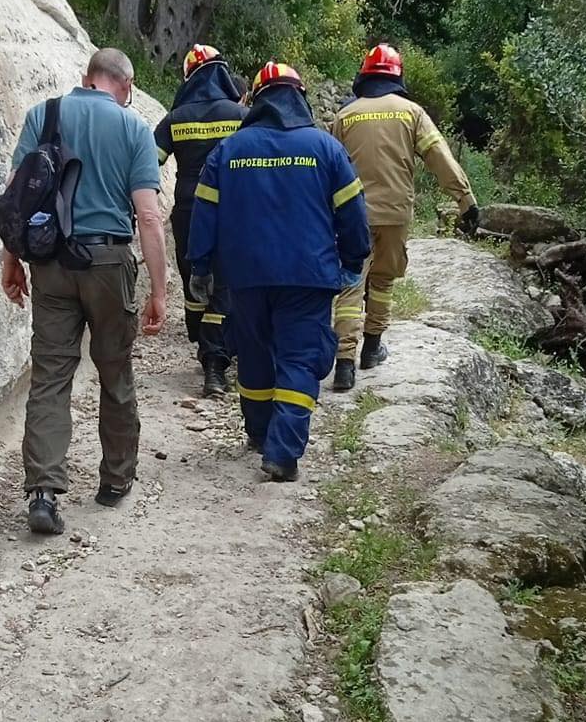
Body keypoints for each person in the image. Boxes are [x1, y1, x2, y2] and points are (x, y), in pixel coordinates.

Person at [1, 47, 168, 535]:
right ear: (127, 84)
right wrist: (159, 290)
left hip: (50, 262)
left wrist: (12, 261)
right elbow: (150, 216)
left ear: (86, 78)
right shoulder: (133, 127)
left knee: (51, 376)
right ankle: (115, 480)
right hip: (109, 262)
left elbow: (16, 195)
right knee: (115, 371)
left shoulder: (44, 114)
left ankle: (44, 493)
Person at [187, 61, 370, 483]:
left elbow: (205, 213)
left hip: (245, 277)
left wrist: (201, 265)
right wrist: (353, 260)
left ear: (256, 100)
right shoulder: (325, 149)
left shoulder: (229, 150)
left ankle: (259, 432)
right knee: (299, 358)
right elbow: (353, 213)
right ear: (300, 96)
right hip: (308, 276)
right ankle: (283, 453)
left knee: (252, 353)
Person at [328, 43, 481, 392]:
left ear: (365, 74)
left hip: (353, 214)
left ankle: (344, 365)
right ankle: (371, 349)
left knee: (351, 283)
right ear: (398, 75)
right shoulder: (412, 113)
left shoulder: (345, 116)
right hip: (396, 213)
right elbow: (439, 157)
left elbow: (331, 167)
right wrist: (465, 201)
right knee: (381, 281)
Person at [153, 44, 245, 396]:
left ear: (189, 78)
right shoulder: (239, 114)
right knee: (223, 284)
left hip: (189, 210)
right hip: (231, 210)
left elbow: (150, 164)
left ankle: (203, 343)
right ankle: (215, 361)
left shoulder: (175, 119)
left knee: (194, 276)